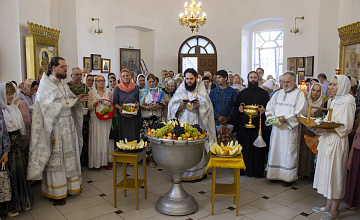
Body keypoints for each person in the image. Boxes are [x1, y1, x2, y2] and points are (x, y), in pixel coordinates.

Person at [27, 57, 87, 206]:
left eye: (66, 67)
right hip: (55, 128)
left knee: (69, 158)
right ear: (53, 68)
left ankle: (71, 187)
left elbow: (68, 102)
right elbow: (44, 112)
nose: (66, 69)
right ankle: (56, 193)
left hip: (68, 126)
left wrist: (77, 100)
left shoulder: (62, 85)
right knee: (57, 160)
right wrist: (49, 132)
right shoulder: (45, 86)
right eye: (63, 67)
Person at [312, 75, 355, 220]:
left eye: (335, 85)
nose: (331, 87)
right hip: (327, 140)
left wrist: (325, 129)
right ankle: (328, 206)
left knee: (335, 174)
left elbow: (346, 127)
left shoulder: (348, 101)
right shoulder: (334, 100)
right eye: (332, 84)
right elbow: (328, 119)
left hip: (337, 142)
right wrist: (317, 125)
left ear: (343, 86)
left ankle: (334, 211)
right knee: (326, 173)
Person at [167, 68, 217, 181]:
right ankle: (182, 173)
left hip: (197, 122)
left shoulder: (201, 90)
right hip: (182, 123)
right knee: (182, 148)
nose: (189, 81)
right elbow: (171, 106)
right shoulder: (181, 90)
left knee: (196, 147)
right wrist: (180, 105)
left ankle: (197, 173)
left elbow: (208, 107)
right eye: (187, 78)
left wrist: (200, 106)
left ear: (196, 79)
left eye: (191, 78)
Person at [265, 71, 306, 187]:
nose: (285, 84)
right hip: (277, 129)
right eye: (283, 82)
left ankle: (288, 177)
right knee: (275, 150)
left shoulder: (299, 95)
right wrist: (269, 115)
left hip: (289, 130)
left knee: (289, 152)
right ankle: (273, 174)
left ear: (294, 82)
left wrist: (286, 118)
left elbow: (300, 112)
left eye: (288, 82)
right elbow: (270, 106)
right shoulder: (278, 93)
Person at [0, 82, 33, 217]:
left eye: (12, 93)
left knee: (19, 172)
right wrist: (5, 150)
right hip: (6, 147)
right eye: (8, 93)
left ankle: (22, 201)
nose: (11, 96)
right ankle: (11, 206)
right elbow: (3, 133)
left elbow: (20, 128)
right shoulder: (1, 111)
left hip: (17, 144)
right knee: (9, 176)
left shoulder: (13, 108)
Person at [233, 71, 270, 177]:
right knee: (245, 148)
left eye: (255, 77)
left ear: (258, 79)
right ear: (248, 79)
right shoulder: (242, 93)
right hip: (244, 127)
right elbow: (236, 107)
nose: (253, 79)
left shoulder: (264, 94)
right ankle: (244, 169)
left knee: (258, 150)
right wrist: (239, 110)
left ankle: (258, 171)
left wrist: (264, 111)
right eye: (251, 77)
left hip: (258, 127)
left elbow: (269, 109)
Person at [298, 83, 325, 178]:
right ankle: (301, 172)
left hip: (315, 131)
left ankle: (310, 173)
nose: (315, 93)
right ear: (311, 90)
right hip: (304, 128)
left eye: (318, 91)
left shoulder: (323, 102)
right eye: (313, 90)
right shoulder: (305, 100)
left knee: (312, 152)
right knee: (303, 150)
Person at [88, 75, 113, 171]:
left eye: (103, 80)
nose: (101, 82)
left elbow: (111, 104)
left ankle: (106, 161)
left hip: (106, 117)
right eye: (99, 81)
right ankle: (96, 163)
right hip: (96, 118)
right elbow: (89, 107)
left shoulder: (108, 92)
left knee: (106, 139)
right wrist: (95, 102)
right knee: (96, 139)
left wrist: (108, 106)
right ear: (95, 82)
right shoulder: (91, 92)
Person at [140, 74, 165, 167]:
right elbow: (141, 104)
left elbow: (162, 103)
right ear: (147, 82)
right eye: (149, 82)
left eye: (152, 82)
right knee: (147, 139)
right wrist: (147, 107)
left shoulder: (159, 90)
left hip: (156, 116)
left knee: (157, 138)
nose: (151, 84)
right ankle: (149, 158)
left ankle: (158, 157)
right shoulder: (143, 91)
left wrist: (158, 106)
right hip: (146, 117)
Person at [67, 67, 90, 167]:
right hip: (71, 118)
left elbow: (88, 99)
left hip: (84, 116)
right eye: (76, 74)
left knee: (84, 138)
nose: (79, 77)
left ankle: (82, 162)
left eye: (80, 74)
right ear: (71, 75)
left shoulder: (85, 87)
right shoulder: (67, 87)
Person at [113, 69, 141, 144]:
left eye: (127, 75)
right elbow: (115, 102)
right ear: (121, 77)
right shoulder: (117, 88)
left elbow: (138, 101)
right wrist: (120, 108)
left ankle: (133, 150)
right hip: (122, 116)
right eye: (123, 76)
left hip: (133, 116)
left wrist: (137, 104)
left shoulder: (135, 88)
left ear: (130, 76)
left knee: (133, 135)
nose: (125, 77)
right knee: (124, 135)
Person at [345, 120, 360, 210]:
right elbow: (356, 137)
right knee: (355, 178)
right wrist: (350, 157)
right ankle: (354, 202)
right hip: (357, 151)